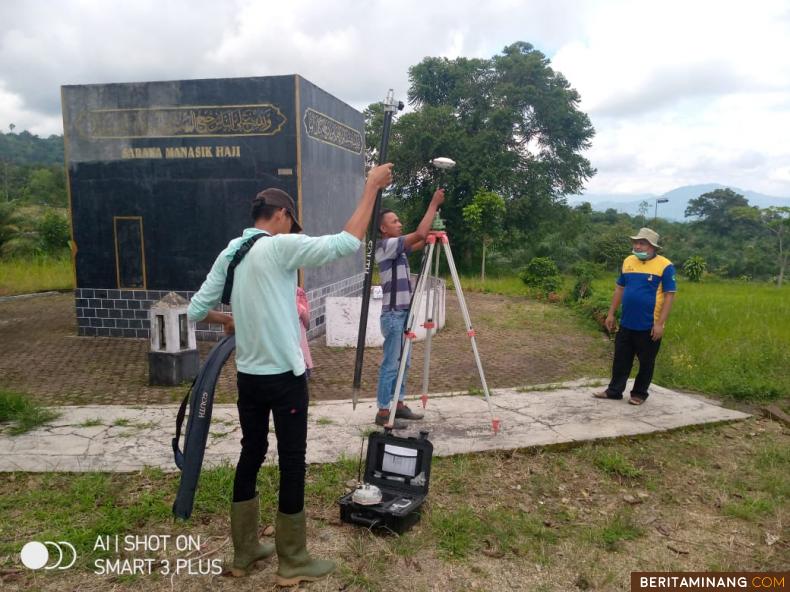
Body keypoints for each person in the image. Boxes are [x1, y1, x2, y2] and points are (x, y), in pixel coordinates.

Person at [187, 163, 393, 586]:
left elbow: (194, 310)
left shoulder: (232, 252)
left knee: (252, 453)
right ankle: (293, 560)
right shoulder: (278, 247)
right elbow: (346, 241)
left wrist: (229, 319)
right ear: (280, 215)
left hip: (248, 378)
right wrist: (371, 187)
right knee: (292, 462)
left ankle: (244, 553)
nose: (290, 229)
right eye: (289, 223)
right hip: (285, 378)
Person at [374, 188, 445, 428]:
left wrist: (438, 232)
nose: (400, 223)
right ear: (383, 228)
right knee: (391, 364)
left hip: (404, 315)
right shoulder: (385, 245)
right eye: (394, 221)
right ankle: (384, 411)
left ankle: (399, 404)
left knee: (404, 363)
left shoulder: (399, 248)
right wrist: (433, 204)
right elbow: (420, 233)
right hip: (393, 316)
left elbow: (423, 238)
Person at [594, 227, 677, 406]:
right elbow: (619, 289)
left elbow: (670, 295)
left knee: (646, 362)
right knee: (621, 358)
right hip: (627, 322)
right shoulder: (628, 262)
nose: (637, 246)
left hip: (649, 325)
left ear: (653, 247)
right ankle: (614, 390)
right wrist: (611, 314)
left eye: (642, 243)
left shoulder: (665, 266)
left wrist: (660, 324)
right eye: (636, 243)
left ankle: (639, 393)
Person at [296, 287, 313, 379]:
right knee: (303, 353)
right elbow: (307, 324)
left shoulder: (284, 307)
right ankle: (305, 372)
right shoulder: (300, 307)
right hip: (300, 338)